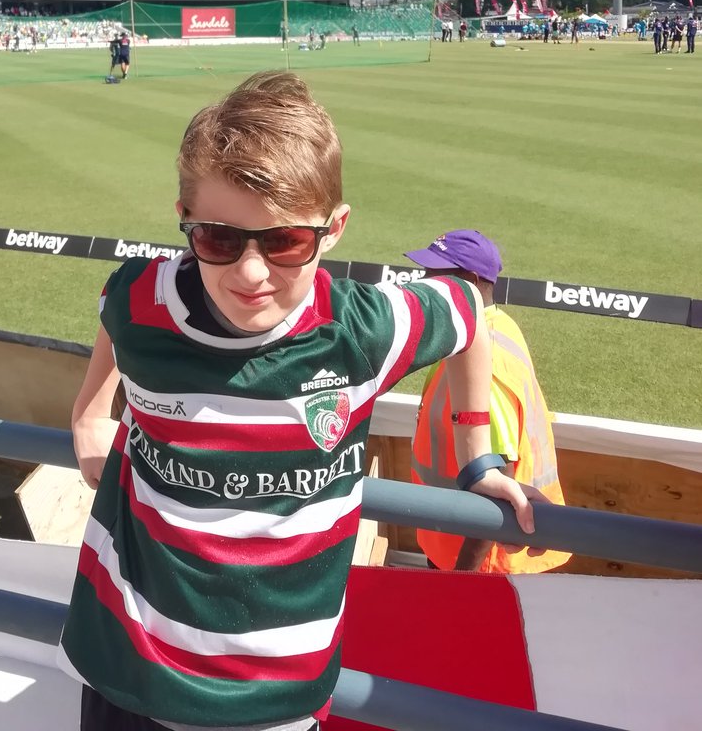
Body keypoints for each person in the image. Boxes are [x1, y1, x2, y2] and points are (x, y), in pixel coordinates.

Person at [62, 72, 538, 731]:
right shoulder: (144, 297)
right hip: (127, 674)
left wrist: (478, 458)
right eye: (219, 240)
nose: (251, 273)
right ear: (184, 221)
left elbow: (470, 312)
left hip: (273, 705)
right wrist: (90, 411)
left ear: (334, 228)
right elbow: (115, 314)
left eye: (286, 242)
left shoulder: (363, 330)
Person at [407, 230, 569, 575]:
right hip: (460, 549)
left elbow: (498, 483)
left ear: (470, 281)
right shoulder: (487, 327)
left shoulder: (487, 358)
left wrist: (461, 579)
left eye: (434, 276)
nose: (422, 284)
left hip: (477, 565)